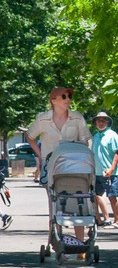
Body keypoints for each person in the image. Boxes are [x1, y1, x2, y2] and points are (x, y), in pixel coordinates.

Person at [25, 86, 92, 239]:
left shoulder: (77, 117)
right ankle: (55, 240)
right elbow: (29, 136)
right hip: (51, 166)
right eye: (64, 96)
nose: (68, 99)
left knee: (78, 200)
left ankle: (80, 243)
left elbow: (85, 140)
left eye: (69, 96)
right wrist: (41, 155)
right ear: (53, 100)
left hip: (74, 165)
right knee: (54, 203)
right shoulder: (42, 118)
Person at [91, 111, 118, 228]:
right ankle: (99, 219)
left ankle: (117, 221)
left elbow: (117, 153)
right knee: (95, 194)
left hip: (110, 172)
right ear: (95, 123)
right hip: (97, 171)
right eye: (99, 120)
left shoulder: (112, 135)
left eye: (104, 120)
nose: (101, 122)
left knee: (112, 195)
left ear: (108, 122)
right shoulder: (95, 136)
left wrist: (111, 169)